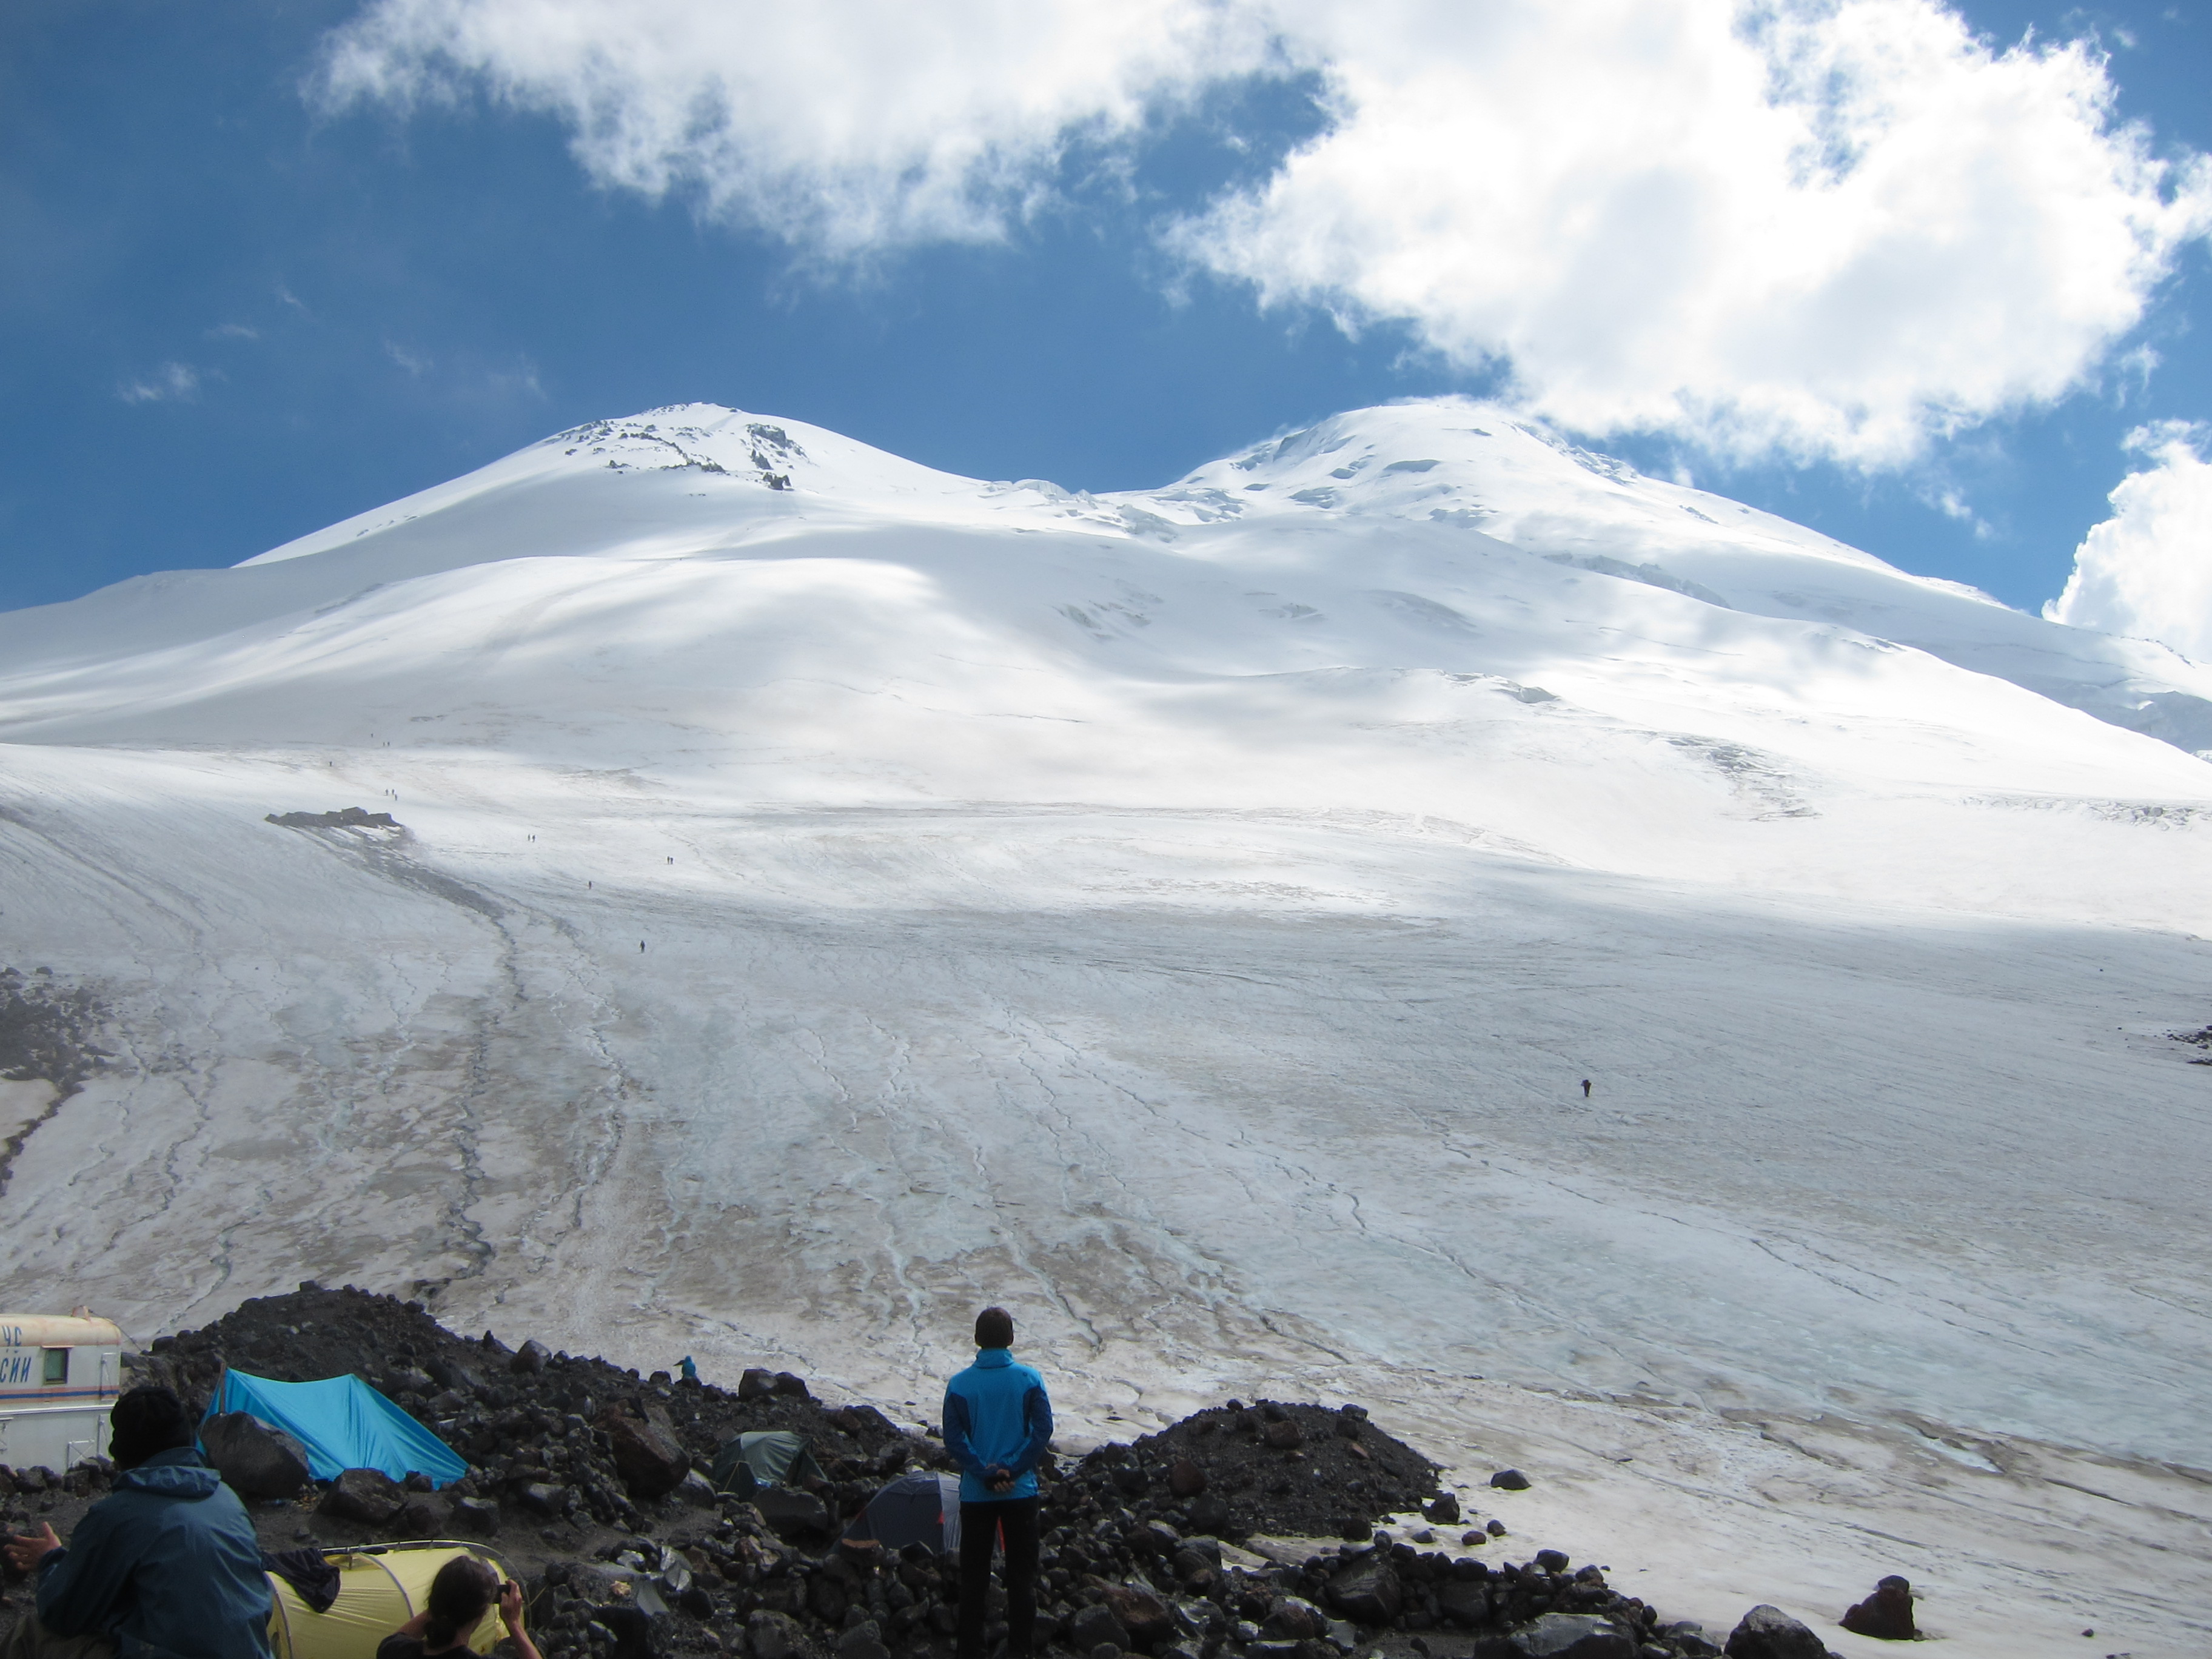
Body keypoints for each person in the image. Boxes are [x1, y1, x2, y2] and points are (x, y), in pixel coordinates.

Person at [1, 1387, 273, 1659]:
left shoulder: (120, 1514)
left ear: (121, 1451)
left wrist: (51, 1559)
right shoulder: (227, 1501)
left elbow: (62, 1614)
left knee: (32, 1633)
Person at [941, 1306, 1051, 1659]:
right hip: (1020, 1492)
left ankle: (971, 1651)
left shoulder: (959, 1385)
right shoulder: (1029, 1379)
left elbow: (955, 1441)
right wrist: (1013, 1470)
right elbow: (1042, 1431)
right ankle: (1020, 1652)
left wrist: (986, 1472)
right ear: (1011, 1339)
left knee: (974, 1579)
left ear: (977, 1340)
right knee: (1022, 1580)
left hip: (977, 1493)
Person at [377, 1555, 540, 1659]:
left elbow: (399, 1637)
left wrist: (443, 1600)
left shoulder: (394, 1651)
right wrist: (514, 1624)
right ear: (481, 1613)